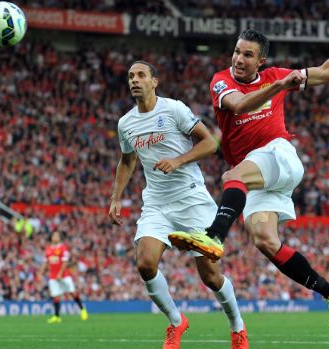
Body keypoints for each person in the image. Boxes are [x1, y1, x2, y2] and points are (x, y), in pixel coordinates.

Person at [169, 6, 329, 331]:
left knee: (231, 176)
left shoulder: (274, 75)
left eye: (247, 55)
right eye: (237, 51)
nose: (239, 59)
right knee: (265, 240)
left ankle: (213, 236)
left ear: (260, 61)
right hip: (257, 176)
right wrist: (280, 86)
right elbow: (239, 105)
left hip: (278, 155)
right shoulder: (221, 81)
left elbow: (326, 73)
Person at [109, 61, 249, 349]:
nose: (135, 80)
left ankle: (237, 327)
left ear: (154, 81)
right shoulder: (126, 123)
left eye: (141, 75)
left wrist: (178, 160)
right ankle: (176, 321)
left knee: (210, 275)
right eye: (131, 76)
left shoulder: (173, 109)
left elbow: (210, 143)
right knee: (145, 264)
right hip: (157, 203)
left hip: (191, 197)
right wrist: (115, 197)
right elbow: (127, 160)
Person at [40, 231, 89, 323]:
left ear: (59, 238)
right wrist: (40, 273)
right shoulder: (48, 249)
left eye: (57, 236)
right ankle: (57, 316)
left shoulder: (63, 248)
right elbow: (46, 262)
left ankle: (82, 309)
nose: (55, 237)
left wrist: (60, 273)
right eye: (54, 236)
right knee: (55, 295)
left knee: (72, 292)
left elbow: (65, 262)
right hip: (53, 276)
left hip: (64, 275)